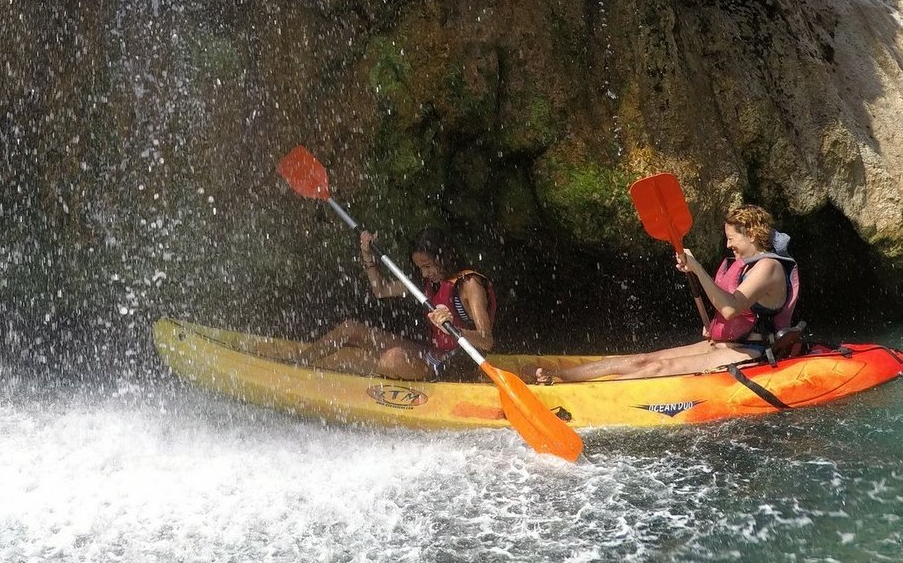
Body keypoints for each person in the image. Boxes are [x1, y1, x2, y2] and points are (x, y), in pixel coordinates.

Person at [533, 204, 800, 384]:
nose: (729, 246)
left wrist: (696, 269)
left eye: (732, 238)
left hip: (751, 350)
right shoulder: (746, 264)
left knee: (656, 370)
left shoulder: (769, 267)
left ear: (752, 233)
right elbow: (730, 313)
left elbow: (731, 308)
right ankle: (560, 376)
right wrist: (717, 328)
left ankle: (578, 394)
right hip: (728, 343)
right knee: (642, 359)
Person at [292, 226, 496, 380]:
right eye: (420, 268)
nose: (424, 273)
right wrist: (367, 254)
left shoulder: (469, 285)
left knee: (393, 359)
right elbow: (380, 290)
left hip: (454, 366)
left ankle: (360, 377)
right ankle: (294, 365)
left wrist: (453, 327)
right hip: (433, 355)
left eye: (428, 266)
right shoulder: (427, 282)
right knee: (350, 329)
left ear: (444, 256)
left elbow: (486, 341)